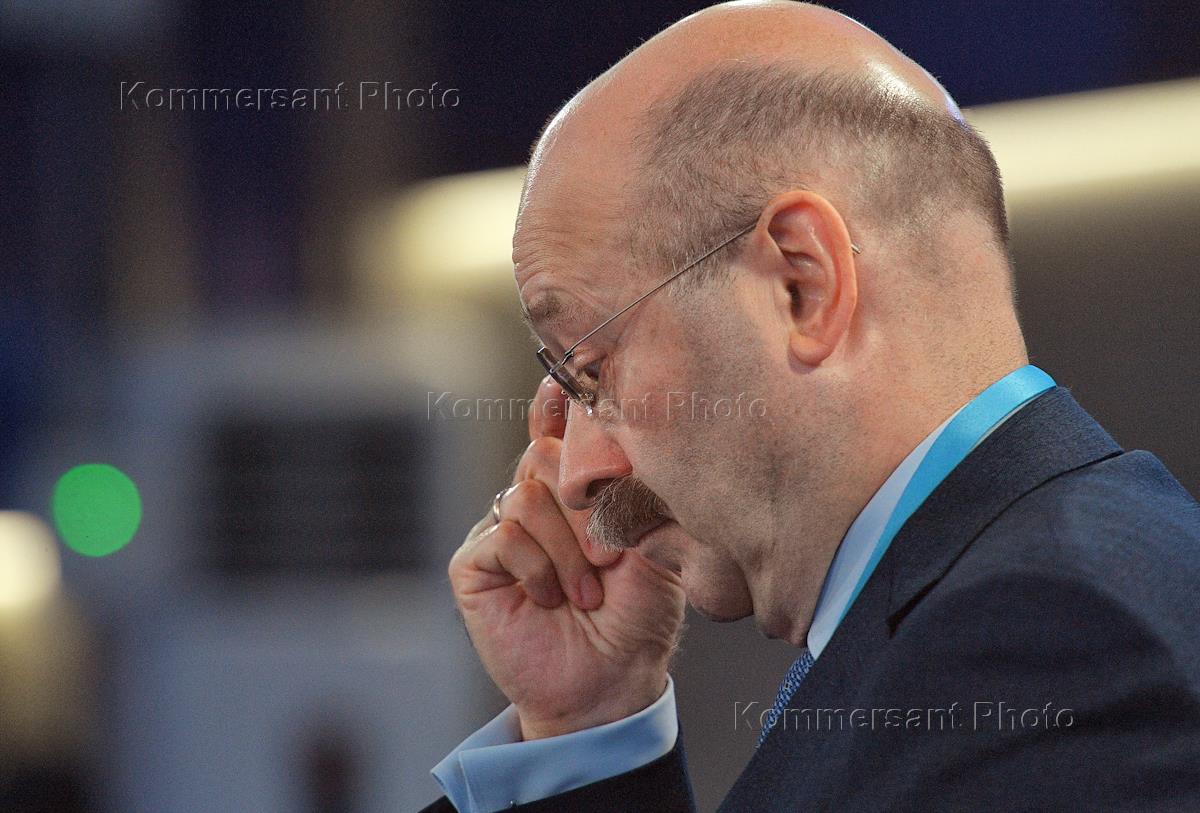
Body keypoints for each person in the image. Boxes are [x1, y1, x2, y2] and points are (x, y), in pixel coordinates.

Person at [421, 2, 1200, 810]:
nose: (576, 474)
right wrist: (586, 726)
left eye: (592, 369)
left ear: (803, 284)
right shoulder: (1020, 616)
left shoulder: (1048, 644)